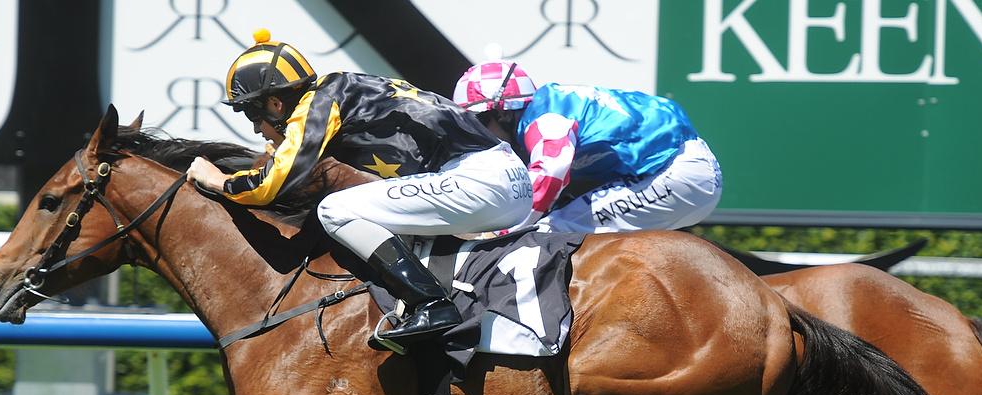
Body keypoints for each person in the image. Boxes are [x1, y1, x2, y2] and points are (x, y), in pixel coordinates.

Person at [186, 31, 533, 348]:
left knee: (334, 210)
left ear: (275, 104)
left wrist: (218, 180)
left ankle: (430, 303)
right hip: (505, 182)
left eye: (252, 116)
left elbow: (270, 186)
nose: (256, 130)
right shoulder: (344, 90)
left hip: (481, 182)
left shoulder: (318, 103)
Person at [452, 61, 722, 234]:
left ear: (503, 112)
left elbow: (550, 175)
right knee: (558, 218)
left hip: (676, 171)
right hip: (677, 168)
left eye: (478, 122)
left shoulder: (544, 119)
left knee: (547, 231)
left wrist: (498, 234)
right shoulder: (547, 105)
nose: (478, 134)